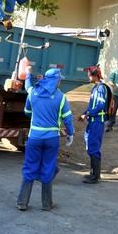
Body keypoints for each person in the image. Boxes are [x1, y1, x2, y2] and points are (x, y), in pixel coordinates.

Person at [16, 67, 74, 211]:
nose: (60, 81)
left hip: (34, 137)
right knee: (48, 167)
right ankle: (47, 204)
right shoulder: (61, 97)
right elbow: (67, 118)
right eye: (59, 79)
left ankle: (22, 202)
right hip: (51, 139)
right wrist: (70, 134)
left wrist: (28, 74)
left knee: (30, 167)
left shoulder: (33, 93)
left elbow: (27, 111)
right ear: (56, 80)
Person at [80, 65, 111, 184]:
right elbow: (91, 105)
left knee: (94, 147)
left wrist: (88, 114)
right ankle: (93, 172)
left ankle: (95, 176)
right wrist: (85, 113)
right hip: (92, 121)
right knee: (90, 144)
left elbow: (100, 105)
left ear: (95, 75)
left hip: (97, 122)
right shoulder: (95, 88)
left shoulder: (101, 89)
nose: (88, 76)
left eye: (89, 74)